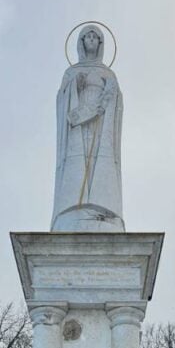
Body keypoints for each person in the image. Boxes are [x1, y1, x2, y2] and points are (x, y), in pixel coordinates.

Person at [52, 24, 124, 232]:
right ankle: (74, 206)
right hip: (77, 123)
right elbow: (61, 99)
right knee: (78, 161)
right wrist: (75, 85)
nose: (91, 41)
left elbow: (117, 103)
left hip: (101, 124)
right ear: (81, 43)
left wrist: (107, 99)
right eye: (87, 37)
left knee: (97, 162)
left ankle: (102, 205)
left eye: (95, 37)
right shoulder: (71, 72)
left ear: (100, 43)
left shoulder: (108, 73)